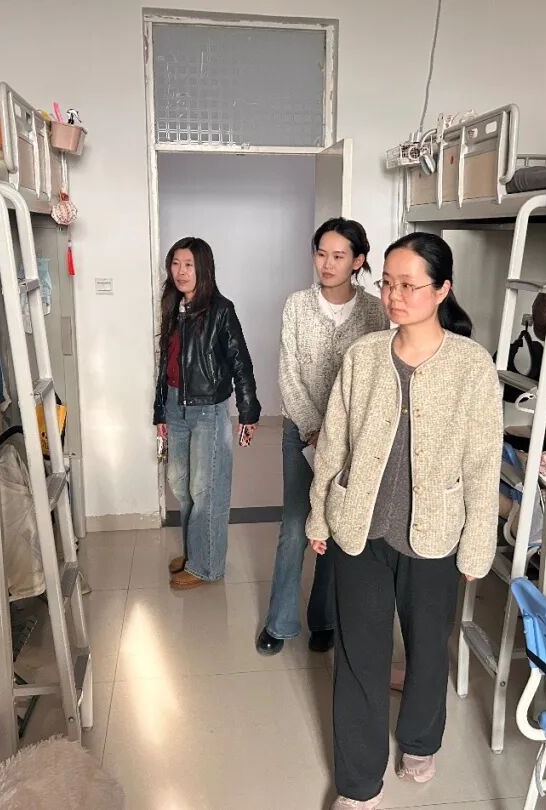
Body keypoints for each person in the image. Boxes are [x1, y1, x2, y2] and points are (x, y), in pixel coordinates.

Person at [306, 232, 503, 809]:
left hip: (436, 533)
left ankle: (419, 740)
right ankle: (358, 785)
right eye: (387, 283)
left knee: (427, 647)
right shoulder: (364, 356)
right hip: (359, 528)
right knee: (358, 659)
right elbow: (335, 442)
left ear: (442, 290)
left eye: (409, 285)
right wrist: (319, 516)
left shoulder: (471, 366)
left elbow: (482, 463)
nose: (393, 295)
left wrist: (477, 546)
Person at [256, 218, 390, 657]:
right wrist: (315, 430)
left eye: (338, 256)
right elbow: (288, 374)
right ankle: (279, 622)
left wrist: (343, 436)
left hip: (351, 440)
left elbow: (375, 377)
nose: (327, 264)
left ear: (358, 261)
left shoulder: (375, 311)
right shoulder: (297, 305)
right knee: (295, 526)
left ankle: (324, 618)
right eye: (321, 254)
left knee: (335, 525)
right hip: (301, 432)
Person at [154, 237, 260, 591]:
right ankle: (194, 553)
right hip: (175, 406)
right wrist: (160, 412)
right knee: (181, 486)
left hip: (207, 411)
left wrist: (248, 411)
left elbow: (241, 362)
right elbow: (165, 365)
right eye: (175, 264)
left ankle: (206, 566)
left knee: (206, 490)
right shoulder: (174, 306)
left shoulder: (221, 310)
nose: (181, 272)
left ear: (203, 268)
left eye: (188, 264)